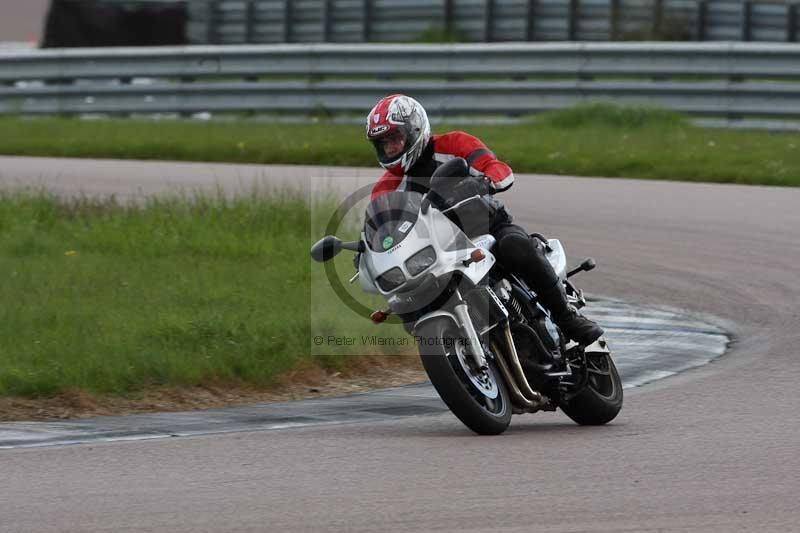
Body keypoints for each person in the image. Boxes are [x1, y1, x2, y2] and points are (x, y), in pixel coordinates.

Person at [366, 94, 603, 346]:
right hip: (440, 251)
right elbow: (380, 227)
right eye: (382, 143)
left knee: (514, 245)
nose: (390, 148)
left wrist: (486, 180)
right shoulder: (385, 189)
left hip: (486, 227)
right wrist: (368, 249)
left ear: (414, 129)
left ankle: (566, 316)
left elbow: (492, 165)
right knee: (408, 299)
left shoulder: (454, 143)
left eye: (394, 138)